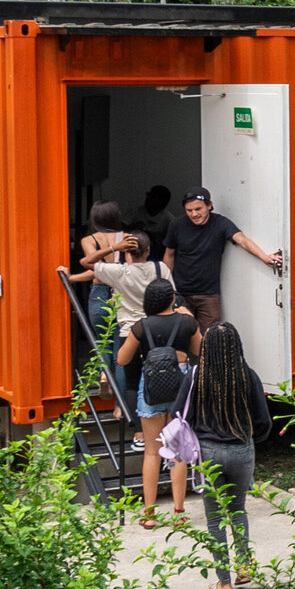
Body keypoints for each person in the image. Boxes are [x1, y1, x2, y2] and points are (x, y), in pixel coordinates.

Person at [177, 322, 273, 589]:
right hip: (242, 449)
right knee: (239, 509)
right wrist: (249, 440)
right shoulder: (248, 376)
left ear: (207, 347)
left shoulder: (197, 376)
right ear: (236, 346)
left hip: (209, 452)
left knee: (215, 517)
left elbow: (179, 414)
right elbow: (263, 421)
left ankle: (224, 582)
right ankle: (244, 566)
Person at [117, 279, 200, 528]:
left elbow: (122, 359)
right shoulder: (187, 322)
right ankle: (178, 512)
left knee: (152, 452)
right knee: (177, 450)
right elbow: (202, 349)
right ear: (172, 299)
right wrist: (188, 318)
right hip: (180, 387)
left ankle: (149, 514)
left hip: (151, 386)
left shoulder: (141, 326)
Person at [74, 230, 163, 430]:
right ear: (148, 250)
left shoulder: (119, 272)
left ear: (126, 253)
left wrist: (114, 249)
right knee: (153, 375)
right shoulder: (160, 268)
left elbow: (87, 263)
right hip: (154, 328)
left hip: (129, 331)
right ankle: (155, 421)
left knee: (129, 376)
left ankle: (136, 428)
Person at [162, 186, 282, 330]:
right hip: (180, 292)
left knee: (212, 339)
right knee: (180, 336)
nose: (194, 214)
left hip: (209, 294)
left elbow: (242, 240)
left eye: (198, 209)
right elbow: (169, 255)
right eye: (189, 210)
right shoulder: (177, 224)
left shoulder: (220, 223)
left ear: (209, 205)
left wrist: (265, 258)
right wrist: (166, 286)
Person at [80, 201, 130, 379]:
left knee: (102, 342)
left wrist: (71, 278)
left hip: (98, 293)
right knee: (120, 350)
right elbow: (130, 271)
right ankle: (118, 406)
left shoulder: (89, 240)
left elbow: (94, 267)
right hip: (121, 294)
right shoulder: (127, 238)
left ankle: (104, 376)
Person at [134, 185, 175, 260]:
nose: (148, 199)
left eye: (153, 197)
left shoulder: (168, 219)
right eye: (148, 196)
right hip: (134, 253)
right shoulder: (135, 212)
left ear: (163, 203)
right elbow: (120, 230)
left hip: (157, 255)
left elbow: (173, 241)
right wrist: (133, 228)